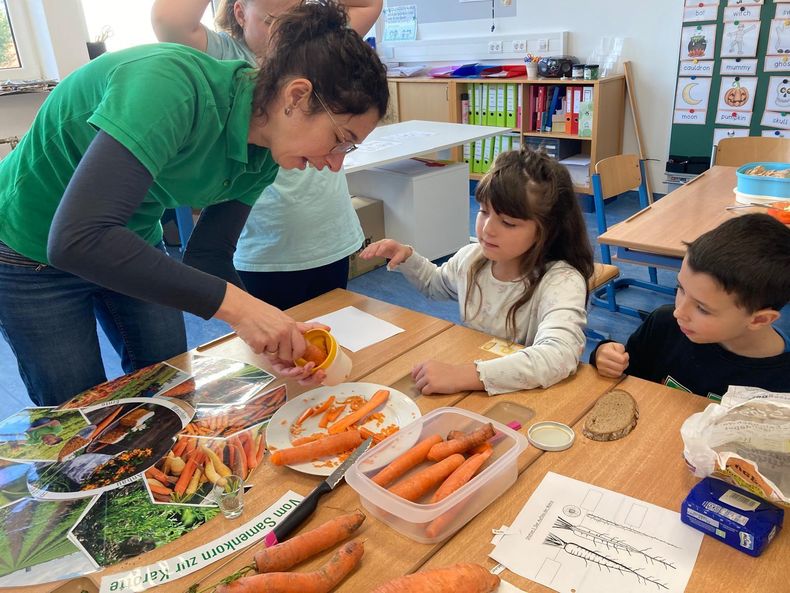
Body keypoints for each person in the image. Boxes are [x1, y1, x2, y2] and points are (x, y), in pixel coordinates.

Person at [0, 0, 389, 407]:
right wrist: (243, 310)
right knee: (78, 410)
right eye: (340, 140)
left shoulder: (264, 156)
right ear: (297, 95)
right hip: (31, 249)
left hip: (127, 236)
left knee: (170, 390)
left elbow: (209, 254)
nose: (334, 164)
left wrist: (271, 335)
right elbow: (76, 239)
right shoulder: (171, 86)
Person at [151, 0, 383, 310]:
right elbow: (169, 18)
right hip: (265, 245)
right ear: (240, 13)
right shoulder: (224, 58)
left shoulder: (316, 54)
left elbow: (369, 4)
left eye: (298, 12)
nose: (287, 29)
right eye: (274, 20)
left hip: (325, 235)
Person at [360, 147, 594, 396]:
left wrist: (463, 375)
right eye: (483, 211)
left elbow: (558, 356)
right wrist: (408, 257)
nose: (487, 229)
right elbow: (436, 284)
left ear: (547, 229)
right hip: (474, 381)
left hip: (527, 393)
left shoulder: (561, 281)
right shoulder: (473, 258)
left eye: (508, 223)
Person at [591, 214, 790, 398]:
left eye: (702, 308)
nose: (679, 312)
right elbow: (624, 374)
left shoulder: (781, 381)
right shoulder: (664, 326)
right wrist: (604, 356)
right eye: (681, 288)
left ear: (759, 319)